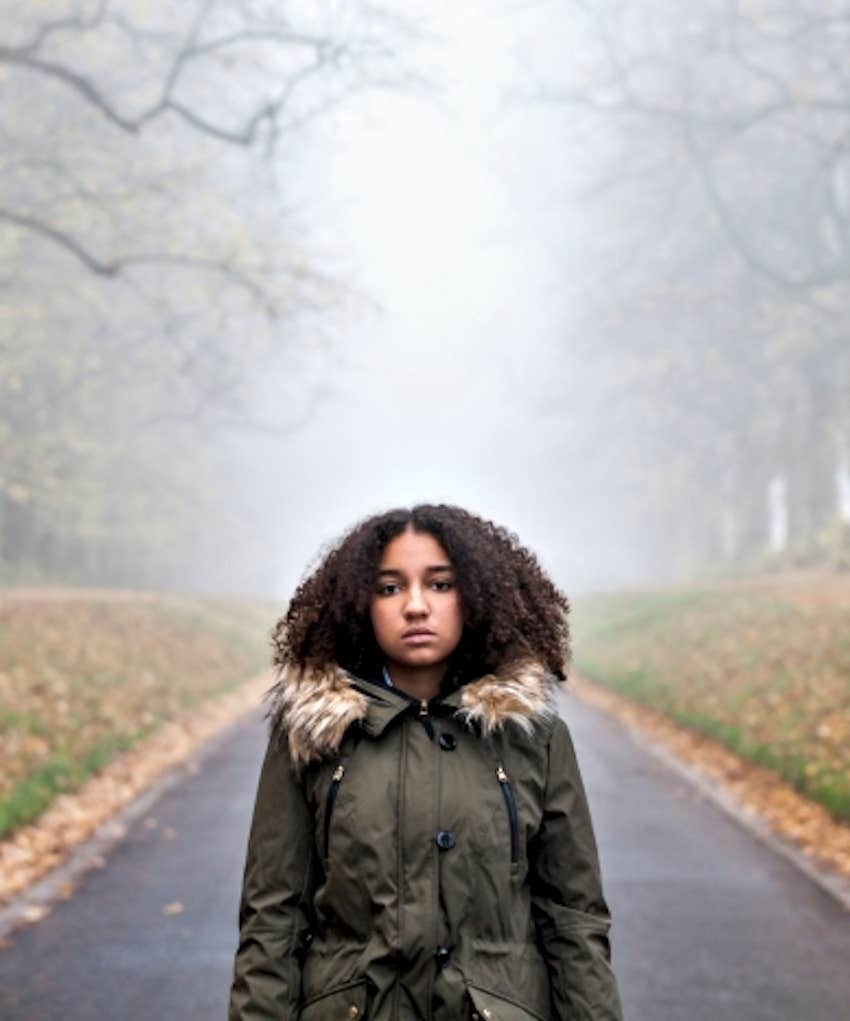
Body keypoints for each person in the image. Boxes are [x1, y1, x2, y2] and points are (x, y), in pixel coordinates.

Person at [228, 504, 623, 1020]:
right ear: (358, 605)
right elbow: (271, 921)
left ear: (478, 597)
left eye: (440, 584)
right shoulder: (312, 736)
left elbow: (574, 920)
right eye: (389, 588)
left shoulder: (534, 739)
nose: (415, 606)